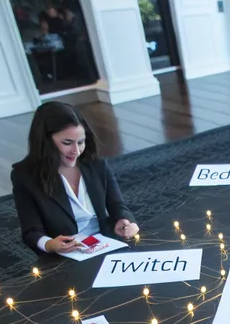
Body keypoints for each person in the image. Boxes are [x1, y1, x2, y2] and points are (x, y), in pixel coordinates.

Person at [12, 102, 138, 254]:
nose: (76, 151)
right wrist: (50, 244)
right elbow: (31, 231)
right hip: (65, 254)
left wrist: (124, 221)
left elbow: (117, 206)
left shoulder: (96, 164)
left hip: (105, 243)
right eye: (67, 143)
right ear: (45, 142)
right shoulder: (25, 176)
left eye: (81, 142)